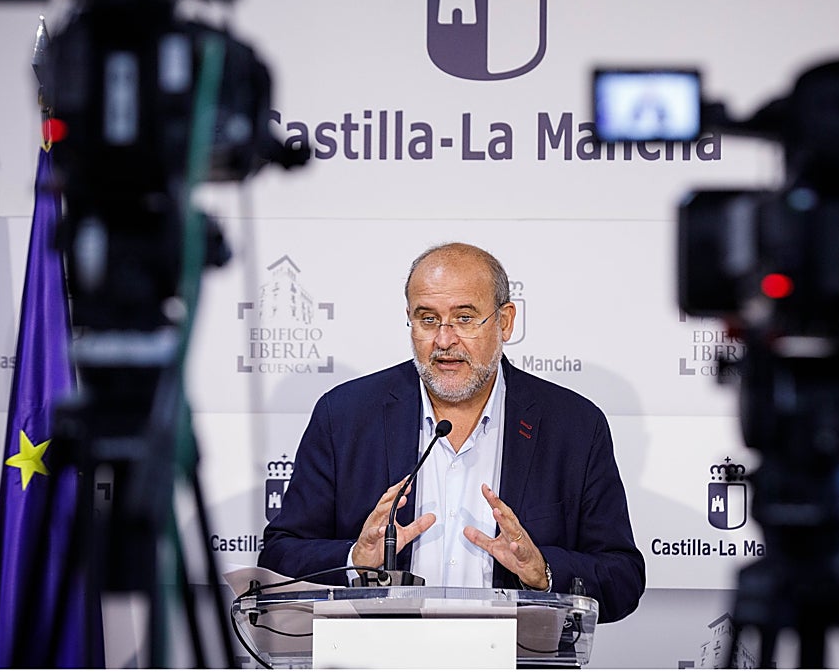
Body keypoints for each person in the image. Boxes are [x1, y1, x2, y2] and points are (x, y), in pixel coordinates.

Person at [259, 242, 645, 623]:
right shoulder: (344, 415)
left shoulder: (574, 425)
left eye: (464, 318)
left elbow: (622, 578)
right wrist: (354, 560)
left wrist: (542, 571)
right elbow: (280, 556)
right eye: (427, 319)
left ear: (505, 321)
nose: (444, 341)